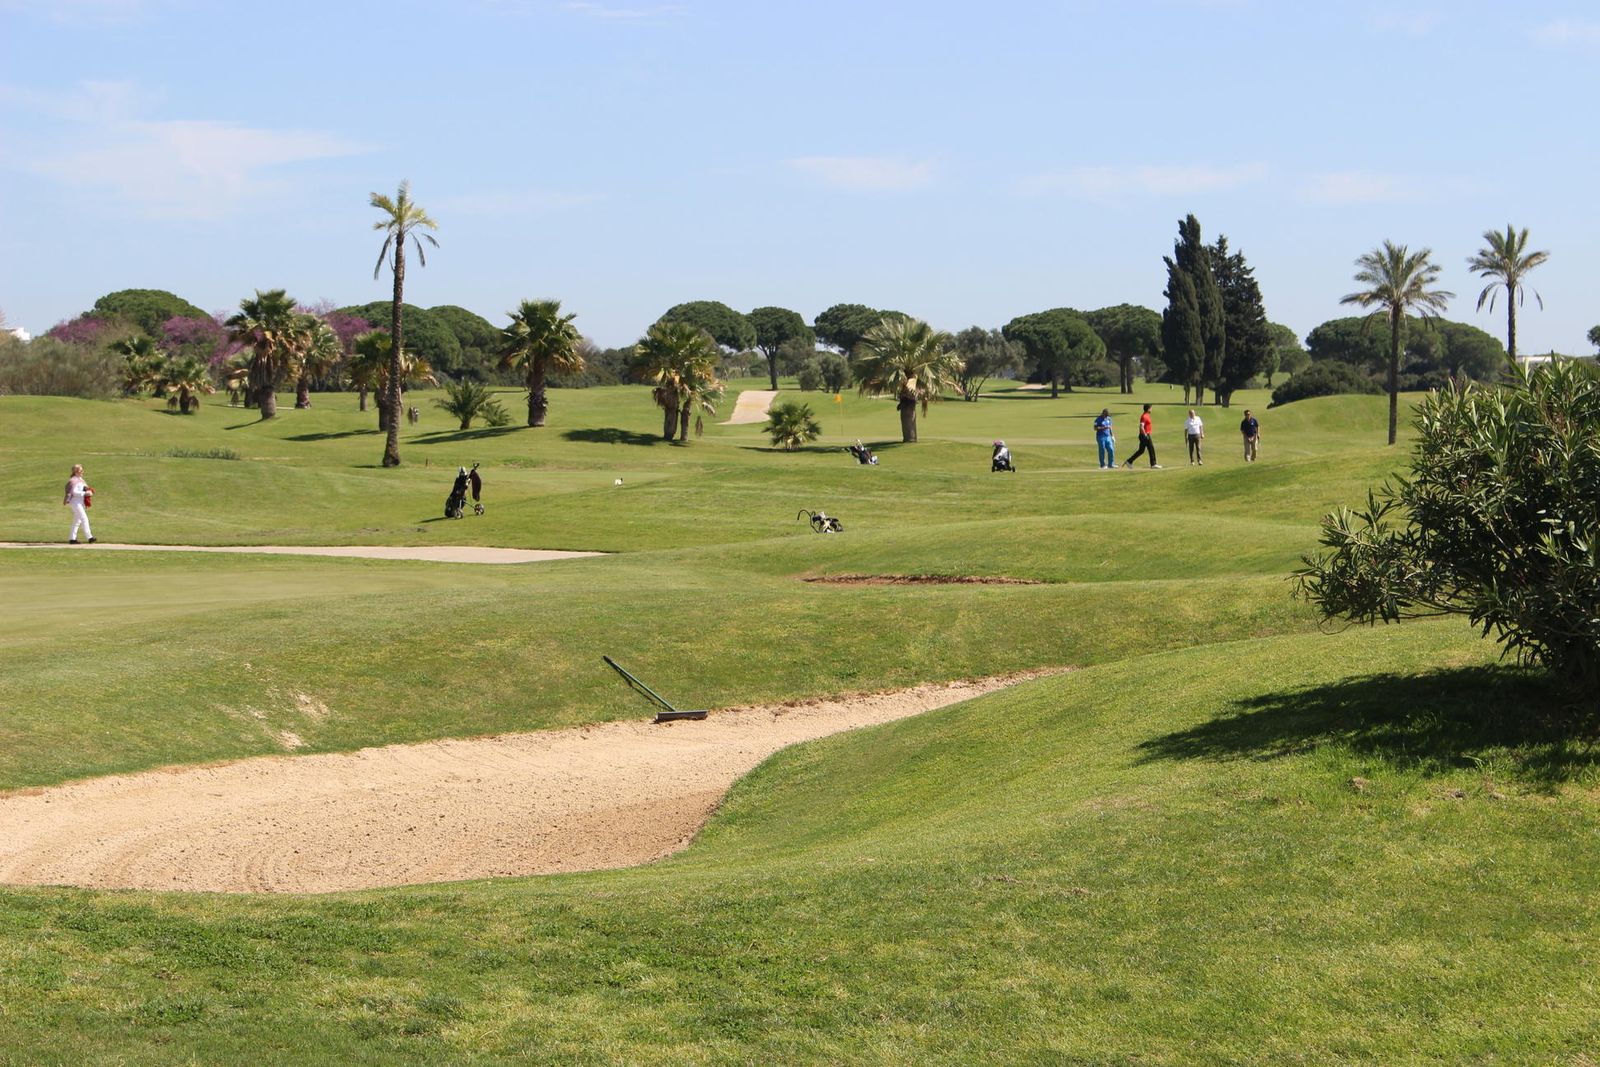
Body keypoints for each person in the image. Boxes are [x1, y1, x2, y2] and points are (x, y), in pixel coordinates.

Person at [63, 463, 95, 544]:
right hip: (75, 502)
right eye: (81, 470)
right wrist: (84, 493)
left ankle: (72, 539)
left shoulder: (81, 480)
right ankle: (90, 537)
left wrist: (89, 490)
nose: (82, 472)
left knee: (77, 521)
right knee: (84, 518)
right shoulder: (73, 480)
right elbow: (73, 492)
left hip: (81, 502)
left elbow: (85, 488)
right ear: (76, 472)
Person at [1123, 404, 1161, 469]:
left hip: (1145, 435)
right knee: (1151, 448)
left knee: (1141, 451)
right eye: (1151, 408)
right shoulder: (1144, 416)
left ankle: (1129, 461)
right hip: (1144, 435)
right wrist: (1145, 434)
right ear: (1148, 409)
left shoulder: (1147, 415)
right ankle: (1153, 464)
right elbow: (1141, 426)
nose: (1151, 409)